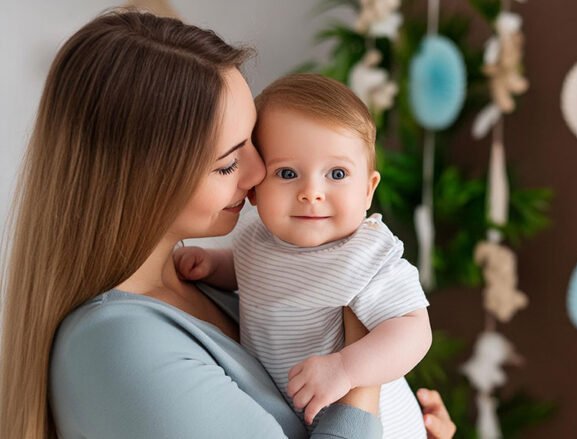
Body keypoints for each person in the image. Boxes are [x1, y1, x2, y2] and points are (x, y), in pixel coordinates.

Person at [0, 10, 456, 439]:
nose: (259, 175)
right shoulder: (116, 348)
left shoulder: (201, 283)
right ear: (143, 182)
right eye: (227, 164)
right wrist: (363, 390)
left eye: (253, 144)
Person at [174, 73, 431, 438]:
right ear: (255, 188)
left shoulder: (366, 255)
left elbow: (413, 331)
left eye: (337, 173)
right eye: (288, 172)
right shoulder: (254, 236)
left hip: (382, 427)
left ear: (369, 189)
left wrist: (346, 369)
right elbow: (255, 272)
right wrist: (214, 265)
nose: (312, 192)